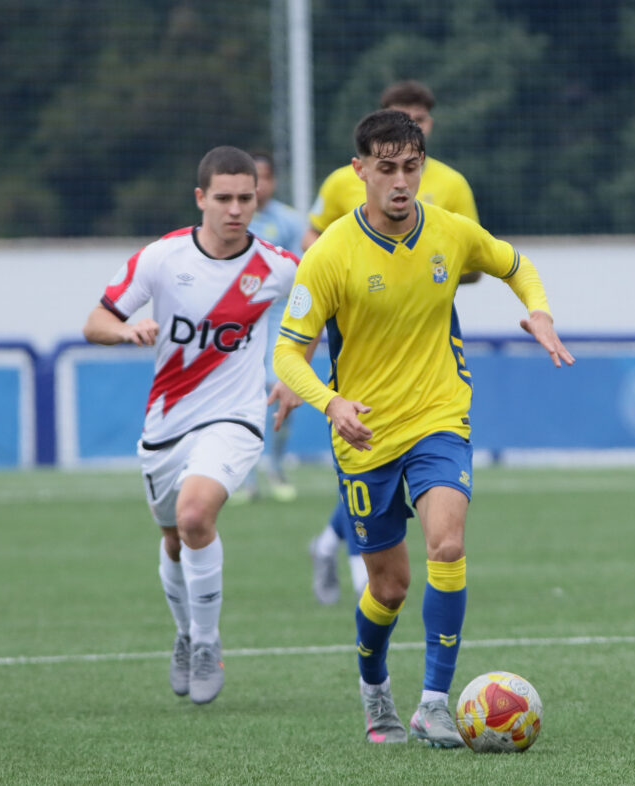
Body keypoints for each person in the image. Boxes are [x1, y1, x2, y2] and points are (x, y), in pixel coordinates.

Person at [273, 110, 574, 746]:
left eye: (411, 167)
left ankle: (434, 702)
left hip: (439, 417)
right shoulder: (329, 255)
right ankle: (375, 691)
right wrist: (331, 403)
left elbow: (515, 264)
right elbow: (287, 354)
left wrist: (541, 312)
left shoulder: (449, 230)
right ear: (359, 171)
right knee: (389, 588)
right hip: (364, 435)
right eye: (386, 168)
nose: (401, 181)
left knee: (448, 545)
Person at [82, 146, 302, 705]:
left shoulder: (278, 266)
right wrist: (125, 331)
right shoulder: (163, 258)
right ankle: (184, 634)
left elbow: (321, 311)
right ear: (201, 198)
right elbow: (96, 320)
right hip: (167, 422)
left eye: (246, 198)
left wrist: (294, 373)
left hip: (235, 417)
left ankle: (207, 642)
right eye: (224, 198)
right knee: (173, 538)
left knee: (195, 515)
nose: (236, 209)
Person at [305, 80, 482, 606]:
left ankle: (339, 550)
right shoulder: (343, 183)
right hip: (363, 344)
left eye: (421, 120)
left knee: (422, 470)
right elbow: (314, 242)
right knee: (373, 460)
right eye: (404, 116)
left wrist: (430, 269)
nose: (399, 178)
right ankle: (342, 550)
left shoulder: (451, 186)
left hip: (423, 345)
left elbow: (477, 258)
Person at [228, 151, 306, 503]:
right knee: (239, 394)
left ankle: (275, 465)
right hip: (237, 318)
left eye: (266, 178)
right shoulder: (232, 217)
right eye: (254, 179)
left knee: (281, 386)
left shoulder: (288, 220)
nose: (260, 187)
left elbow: (302, 269)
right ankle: (244, 476)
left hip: (277, 316)